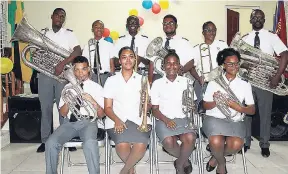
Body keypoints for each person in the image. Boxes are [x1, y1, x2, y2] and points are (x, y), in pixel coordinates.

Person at [45, 56, 105, 174]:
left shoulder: (97, 88)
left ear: (88, 69)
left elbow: (102, 114)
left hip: (89, 122)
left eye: (83, 69)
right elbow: (62, 113)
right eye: (76, 70)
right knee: (50, 143)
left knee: (89, 143)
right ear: (73, 71)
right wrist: (70, 101)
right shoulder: (67, 88)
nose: (80, 73)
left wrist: (92, 100)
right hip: (70, 123)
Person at [242, 9, 288, 157]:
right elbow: (238, 60)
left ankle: (264, 144)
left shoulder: (271, 36)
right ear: (250, 19)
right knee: (246, 114)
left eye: (260, 17)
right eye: (255, 17)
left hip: (266, 81)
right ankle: (246, 142)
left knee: (265, 114)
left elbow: (285, 55)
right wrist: (245, 65)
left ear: (264, 20)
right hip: (247, 81)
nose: (257, 19)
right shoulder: (245, 38)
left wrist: (277, 76)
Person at [202, 48, 255, 174]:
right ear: (223, 65)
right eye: (230, 63)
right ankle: (221, 163)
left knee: (236, 145)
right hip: (214, 118)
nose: (234, 66)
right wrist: (216, 102)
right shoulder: (214, 83)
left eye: (236, 63)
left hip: (235, 120)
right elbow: (205, 105)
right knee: (215, 141)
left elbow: (252, 110)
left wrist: (239, 108)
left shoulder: (245, 84)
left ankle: (215, 158)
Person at [37, 8, 81, 153]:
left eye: (62, 16)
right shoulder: (43, 34)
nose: (60, 18)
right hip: (45, 75)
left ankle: (66, 139)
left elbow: (77, 51)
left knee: (64, 108)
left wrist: (62, 63)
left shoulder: (69, 34)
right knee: (46, 109)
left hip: (62, 74)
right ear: (52, 16)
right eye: (57, 15)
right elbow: (36, 52)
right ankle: (45, 140)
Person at [104, 46, 152, 174]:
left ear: (135, 59)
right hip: (116, 119)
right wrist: (117, 120)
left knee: (141, 144)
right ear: (119, 61)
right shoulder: (111, 80)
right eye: (124, 57)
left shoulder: (143, 79)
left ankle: (125, 171)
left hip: (138, 120)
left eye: (131, 57)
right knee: (122, 144)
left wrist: (146, 104)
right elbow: (107, 108)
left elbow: (148, 107)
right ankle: (131, 171)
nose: (128, 60)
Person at [151, 50, 197, 174]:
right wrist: (167, 120)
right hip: (163, 119)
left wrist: (192, 106)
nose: (172, 66)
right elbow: (154, 110)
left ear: (179, 65)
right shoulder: (157, 84)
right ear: (163, 66)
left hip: (183, 118)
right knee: (168, 142)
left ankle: (180, 164)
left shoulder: (186, 81)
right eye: (168, 63)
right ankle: (185, 161)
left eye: (175, 63)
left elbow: (193, 104)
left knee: (191, 137)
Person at [183, 21, 228, 103]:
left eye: (214, 30)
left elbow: (229, 62)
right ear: (203, 33)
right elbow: (191, 67)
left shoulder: (222, 45)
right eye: (209, 30)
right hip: (203, 82)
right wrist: (199, 78)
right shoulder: (196, 48)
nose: (212, 33)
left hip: (221, 81)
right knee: (201, 106)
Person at [148, 14, 194, 84]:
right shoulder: (157, 41)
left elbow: (192, 61)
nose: (168, 25)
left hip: (178, 78)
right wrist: (150, 81)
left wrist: (182, 71)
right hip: (159, 77)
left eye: (171, 23)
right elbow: (152, 63)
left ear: (176, 26)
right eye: (165, 23)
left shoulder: (184, 42)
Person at [82, 20, 115, 86]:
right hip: (92, 76)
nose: (99, 29)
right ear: (92, 30)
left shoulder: (109, 45)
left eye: (101, 27)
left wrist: (113, 78)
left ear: (103, 30)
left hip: (106, 76)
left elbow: (112, 64)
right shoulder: (87, 46)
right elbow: (84, 64)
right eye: (96, 27)